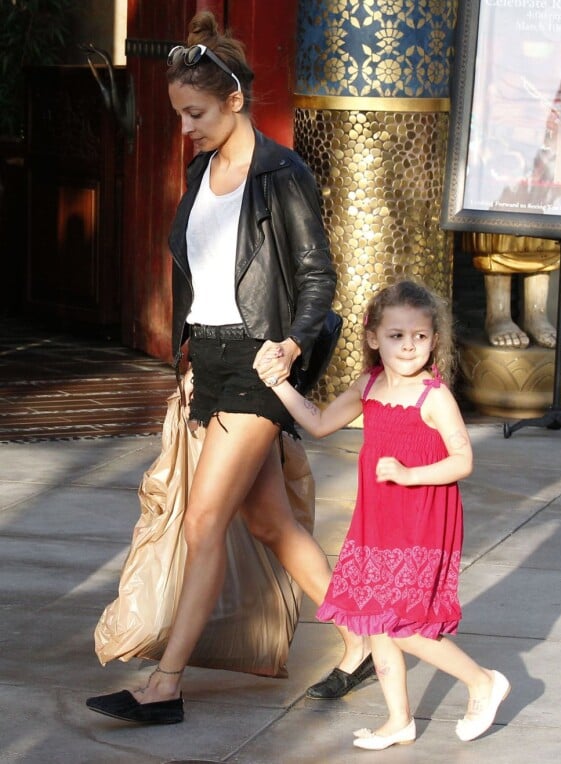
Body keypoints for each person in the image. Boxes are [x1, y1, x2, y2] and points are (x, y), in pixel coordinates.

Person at [86, 11, 371, 725]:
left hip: (260, 364)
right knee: (272, 522)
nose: (186, 127)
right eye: (181, 114)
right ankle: (362, 640)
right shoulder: (199, 169)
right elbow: (201, 278)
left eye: (196, 113)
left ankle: (165, 684)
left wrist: (294, 346)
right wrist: (187, 358)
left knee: (203, 521)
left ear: (235, 100)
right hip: (210, 361)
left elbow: (318, 278)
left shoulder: (282, 174)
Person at [255, 280, 511, 749]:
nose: (408, 345)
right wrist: (278, 385)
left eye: (419, 336)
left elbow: (463, 460)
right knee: (375, 620)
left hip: (422, 524)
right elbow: (317, 422)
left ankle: (481, 681)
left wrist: (411, 475)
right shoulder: (368, 386)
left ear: (434, 340)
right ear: (374, 337)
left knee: (401, 624)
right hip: (376, 523)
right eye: (396, 335)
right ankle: (399, 720)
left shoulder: (433, 396)